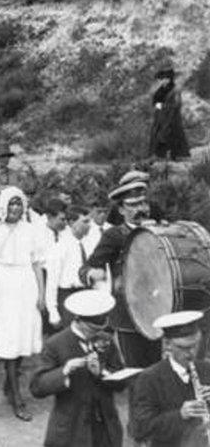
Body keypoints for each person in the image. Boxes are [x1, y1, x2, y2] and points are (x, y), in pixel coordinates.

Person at [78, 171, 161, 368]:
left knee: (156, 368)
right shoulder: (114, 235)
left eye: (142, 203)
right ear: (122, 210)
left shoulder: (159, 231)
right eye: (132, 205)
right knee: (135, 371)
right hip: (128, 314)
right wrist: (91, 274)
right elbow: (86, 267)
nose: (140, 209)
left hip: (157, 309)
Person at [30, 290, 126, 447]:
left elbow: (121, 382)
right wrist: (64, 371)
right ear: (78, 321)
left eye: (98, 330)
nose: (95, 334)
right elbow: (37, 387)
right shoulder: (55, 344)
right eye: (91, 330)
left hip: (105, 429)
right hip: (71, 431)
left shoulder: (105, 340)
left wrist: (101, 373)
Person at [0, 186, 46, 421]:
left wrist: (41, 294)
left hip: (26, 284)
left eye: (19, 204)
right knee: (8, 338)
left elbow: (38, 263)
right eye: (11, 203)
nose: (15, 208)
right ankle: (17, 397)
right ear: (4, 205)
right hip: (3, 285)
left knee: (22, 337)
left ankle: (10, 383)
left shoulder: (31, 230)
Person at [130, 311, 210, 447]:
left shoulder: (206, 369)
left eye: (195, 346)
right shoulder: (149, 378)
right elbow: (140, 429)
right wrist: (180, 415)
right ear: (167, 344)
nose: (191, 353)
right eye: (183, 348)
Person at [45, 203, 91, 331]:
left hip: (86, 293)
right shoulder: (60, 247)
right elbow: (52, 281)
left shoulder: (88, 243)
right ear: (72, 223)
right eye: (85, 222)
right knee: (71, 336)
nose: (89, 225)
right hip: (68, 296)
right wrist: (53, 311)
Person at [149, 66, 190, 160]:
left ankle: (176, 156)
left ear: (168, 79)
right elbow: (155, 103)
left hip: (172, 117)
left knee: (172, 135)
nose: (162, 81)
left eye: (164, 79)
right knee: (158, 135)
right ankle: (159, 156)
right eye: (161, 79)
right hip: (160, 116)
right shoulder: (160, 91)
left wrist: (165, 108)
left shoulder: (175, 90)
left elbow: (177, 104)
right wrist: (160, 108)